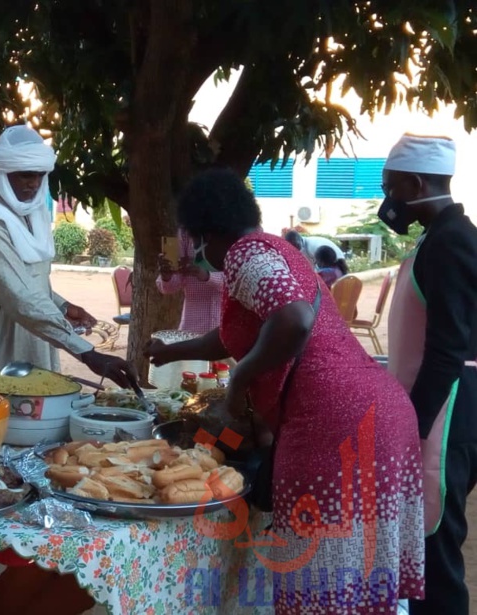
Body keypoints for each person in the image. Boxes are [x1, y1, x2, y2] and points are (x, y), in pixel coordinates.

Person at [145, 168, 424, 614]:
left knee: (324, 567)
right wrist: (171, 351)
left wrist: (239, 381)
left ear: (207, 233)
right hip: (381, 412)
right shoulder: (277, 250)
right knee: (363, 566)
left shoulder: (245, 254)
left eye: (195, 241)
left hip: (334, 422)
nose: (197, 254)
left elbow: (294, 319)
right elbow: (237, 334)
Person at [0, 125, 136, 389]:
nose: (33, 184)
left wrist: (62, 306)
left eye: (39, 175)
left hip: (33, 342)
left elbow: (27, 278)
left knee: (38, 417)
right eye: (25, 176)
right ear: (3, 173)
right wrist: (87, 353)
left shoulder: (29, 213)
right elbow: (19, 296)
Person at [379, 134, 477, 615]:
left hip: (444, 417)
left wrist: (408, 429)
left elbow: (446, 351)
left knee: (435, 556)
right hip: (436, 410)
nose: (388, 201)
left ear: (415, 183)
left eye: (391, 188)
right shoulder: (439, 236)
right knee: (420, 553)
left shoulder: (453, 242)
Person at [156, 229, 223, 333]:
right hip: (192, 329)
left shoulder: (238, 229)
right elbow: (170, 287)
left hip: (227, 331)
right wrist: (167, 277)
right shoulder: (185, 231)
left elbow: (239, 280)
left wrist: (208, 276)